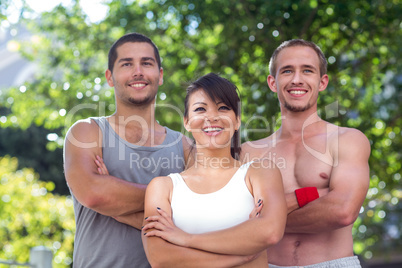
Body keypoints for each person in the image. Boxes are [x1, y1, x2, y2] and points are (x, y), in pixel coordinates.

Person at [63, 33, 193, 267]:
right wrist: (171, 198)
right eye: (126, 64)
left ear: (160, 75)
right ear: (110, 77)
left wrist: (115, 205)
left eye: (146, 63)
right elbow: (94, 194)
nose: (138, 71)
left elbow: (194, 218)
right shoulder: (86, 132)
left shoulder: (184, 146)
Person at [241, 39, 371, 267]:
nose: (296, 79)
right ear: (273, 82)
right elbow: (233, 219)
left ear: (322, 82)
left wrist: (265, 219)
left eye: (307, 70)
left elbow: (342, 211)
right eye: (287, 71)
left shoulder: (347, 140)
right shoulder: (249, 152)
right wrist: (314, 195)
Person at [140, 73, 287, 267]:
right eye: (200, 109)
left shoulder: (260, 173)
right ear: (186, 122)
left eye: (223, 108)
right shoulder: (163, 187)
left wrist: (186, 239)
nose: (211, 117)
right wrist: (241, 254)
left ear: (237, 121)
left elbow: (269, 231)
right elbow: (161, 258)